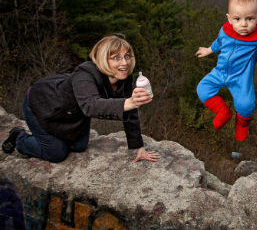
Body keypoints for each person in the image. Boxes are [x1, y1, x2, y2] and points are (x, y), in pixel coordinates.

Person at [2, 35, 160, 163]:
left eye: (127, 56)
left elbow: (129, 111)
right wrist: (129, 102)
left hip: (74, 113)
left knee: (79, 146)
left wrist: (139, 148)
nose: (124, 62)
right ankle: (20, 138)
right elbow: (91, 106)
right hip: (43, 105)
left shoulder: (124, 77)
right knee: (57, 153)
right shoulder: (85, 74)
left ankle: (52, 138)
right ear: (103, 59)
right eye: (116, 58)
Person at [196, 0, 257, 141]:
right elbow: (219, 42)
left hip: (241, 78)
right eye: (237, 19)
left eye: (249, 19)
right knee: (202, 89)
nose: (243, 24)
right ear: (229, 18)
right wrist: (209, 50)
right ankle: (223, 112)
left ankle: (242, 125)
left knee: (246, 106)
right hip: (220, 72)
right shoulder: (225, 29)